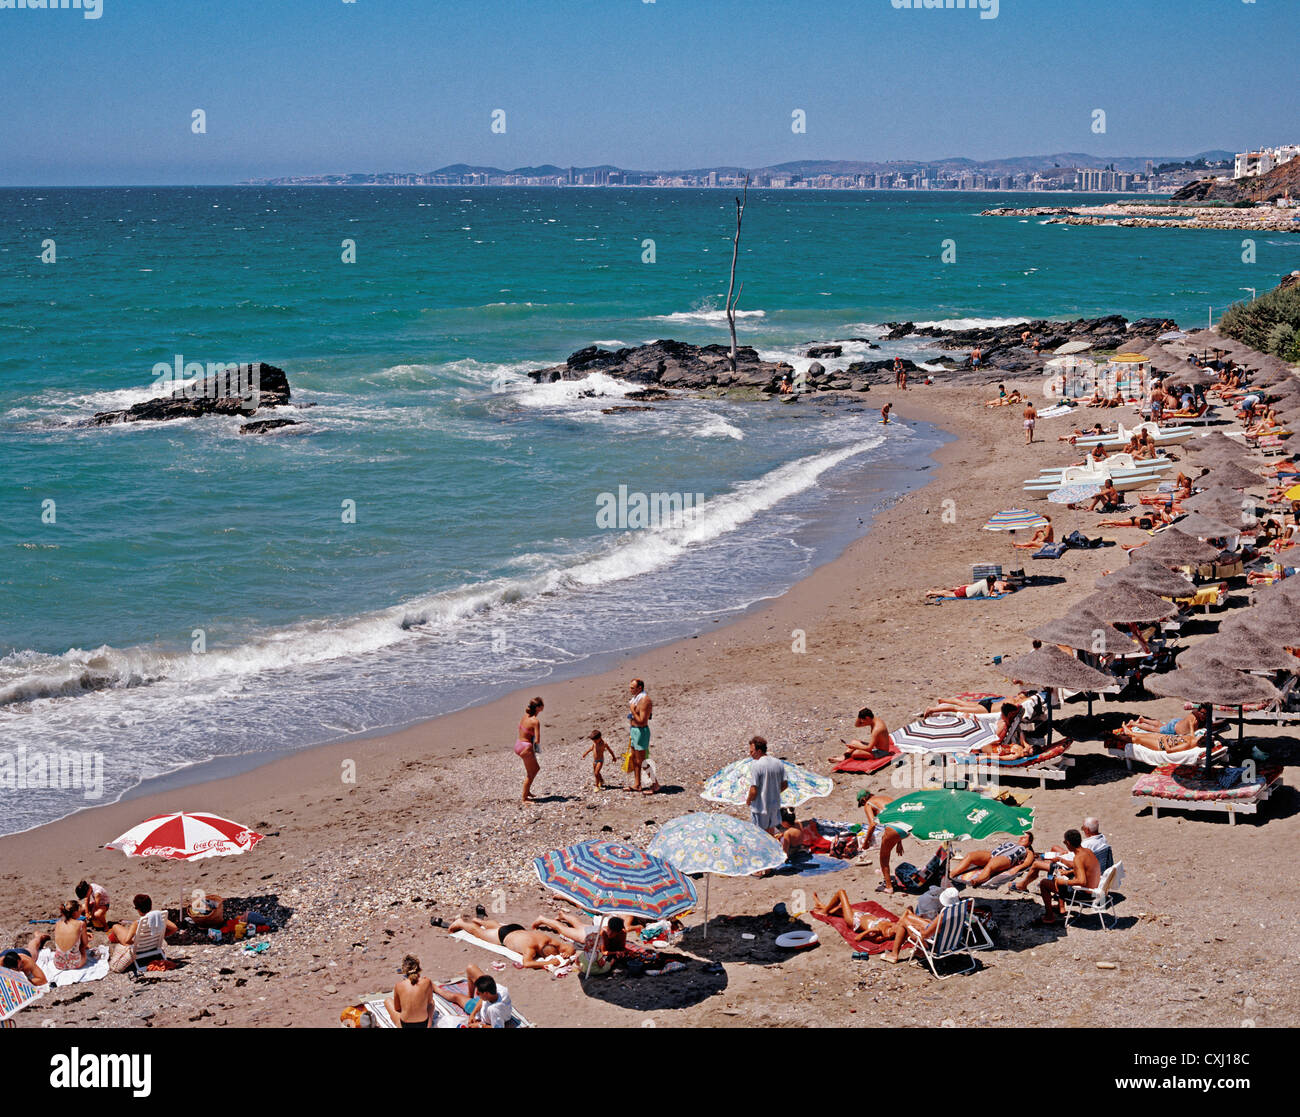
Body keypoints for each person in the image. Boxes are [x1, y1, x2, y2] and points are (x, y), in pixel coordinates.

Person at [446, 916, 576, 969]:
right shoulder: (530, 949)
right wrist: (547, 962)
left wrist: (567, 954)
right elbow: (527, 963)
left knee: (496, 926)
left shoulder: (547, 940)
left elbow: (570, 948)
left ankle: (478, 920)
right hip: (504, 936)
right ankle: (460, 923)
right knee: (478, 933)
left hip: (515, 927)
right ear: (539, 951)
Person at [1036, 829, 1100, 925]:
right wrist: (1068, 871)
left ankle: (1049, 917)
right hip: (1095, 887)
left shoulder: (1078, 858)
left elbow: (1081, 881)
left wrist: (1063, 882)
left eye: (1064, 842)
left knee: (1044, 883)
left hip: (1085, 893)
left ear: (1068, 843)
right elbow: (1086, 868)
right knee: (1061, 875)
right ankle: (1060, 907)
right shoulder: (1087, 851)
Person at [883, 887, 962, 963]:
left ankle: (894, 955)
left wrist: (918, 928)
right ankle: (918, 951)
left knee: (904, 921)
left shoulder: (942, 916)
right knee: (918, 919)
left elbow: (925, 935)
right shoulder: (961, 911)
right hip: (951, 942)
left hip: (935, 946)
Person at [108, 894, 177, 965]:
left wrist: (137, 942)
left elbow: (127, 941)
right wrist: (160, 937)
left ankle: (113, 945)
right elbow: (174, 928)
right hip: (153, 946)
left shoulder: (137, 923)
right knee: (129, 932)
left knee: (116, 926)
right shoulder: (160, 917)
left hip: (139, 949)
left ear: (138, 909)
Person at [811, 890, 900, 944]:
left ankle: (824, 911)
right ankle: (821, 905)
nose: (898, 926)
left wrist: (870, 930)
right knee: (838, 908)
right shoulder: (894, 925)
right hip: (862, 914)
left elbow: (858, 938)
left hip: (854, 920)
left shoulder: (882, 936)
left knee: (841, 893)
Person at [437, 967, 514, 1028]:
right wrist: (472, 1014)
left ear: (486, 993)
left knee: (456, 996)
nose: (476, 993)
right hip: (484, 1004)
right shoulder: (501, 990)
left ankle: (434, 988)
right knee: (470, 968)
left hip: (482, 1012)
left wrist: (481, 1026)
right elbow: (482, 999)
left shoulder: (494, 1010)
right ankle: (469, 997)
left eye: (478, 993)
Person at [951, 832, 1034, 886]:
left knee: (991, 864)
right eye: (1021, 836)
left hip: (1006, 858)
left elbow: (1027, 863)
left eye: (1024, 838)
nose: (1021, 838)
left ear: (1029, 842)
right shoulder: (1012, 843)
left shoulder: (1027, 851)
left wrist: (1017, 868)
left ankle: (978, 880)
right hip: (992, 854)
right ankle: (952, 874)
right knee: (971, 855)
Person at [746, 736, 786, 834]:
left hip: (760, 807)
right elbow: (785, 784)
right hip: (774, 805)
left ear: (759, 751)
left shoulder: (756, 765)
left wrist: (748, 800)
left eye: (752, 751)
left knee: (761, 834)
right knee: (771, 832)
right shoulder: (778, 763)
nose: (750, 754)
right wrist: (774, 792)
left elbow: (753, 790)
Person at [385, 954, 436, 1028]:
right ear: (418, 968)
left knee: (388, 1001)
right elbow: (429, 1001)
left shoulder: (399, 985)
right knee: (432, 1003)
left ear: (404, 970)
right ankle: (429, 1024)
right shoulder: (427, 981)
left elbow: (397, 1008)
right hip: (423, 1024)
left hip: (405, 1025)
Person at [627, 678, 658, 794]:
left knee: (642, 761)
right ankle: (637, 784)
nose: (630, 690)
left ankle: (655, 784)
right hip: (634, 730)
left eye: (632, 688)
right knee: (635, 759)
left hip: (641, 731)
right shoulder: (636, 698)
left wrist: (632, 710)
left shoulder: (645, 700)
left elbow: (642, 721)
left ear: (639, 688)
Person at [515, 696, 544, 803]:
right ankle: (524, 798)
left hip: (518, 744)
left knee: (532, 770)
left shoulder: (525, 716)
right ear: (539, 708)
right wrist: (536, 750)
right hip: (526, 747)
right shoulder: (535, 721)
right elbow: (537, 740)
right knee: (533, 771)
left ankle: (527, 792)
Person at [50, 900, 92, 971]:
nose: (81, 912)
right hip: (76, 963)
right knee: (83, 947)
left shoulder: (58, 923)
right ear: (75, 912)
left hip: (58, 963)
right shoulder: (81, 924)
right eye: (80, 910)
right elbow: (85, 944)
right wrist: (88, 939)